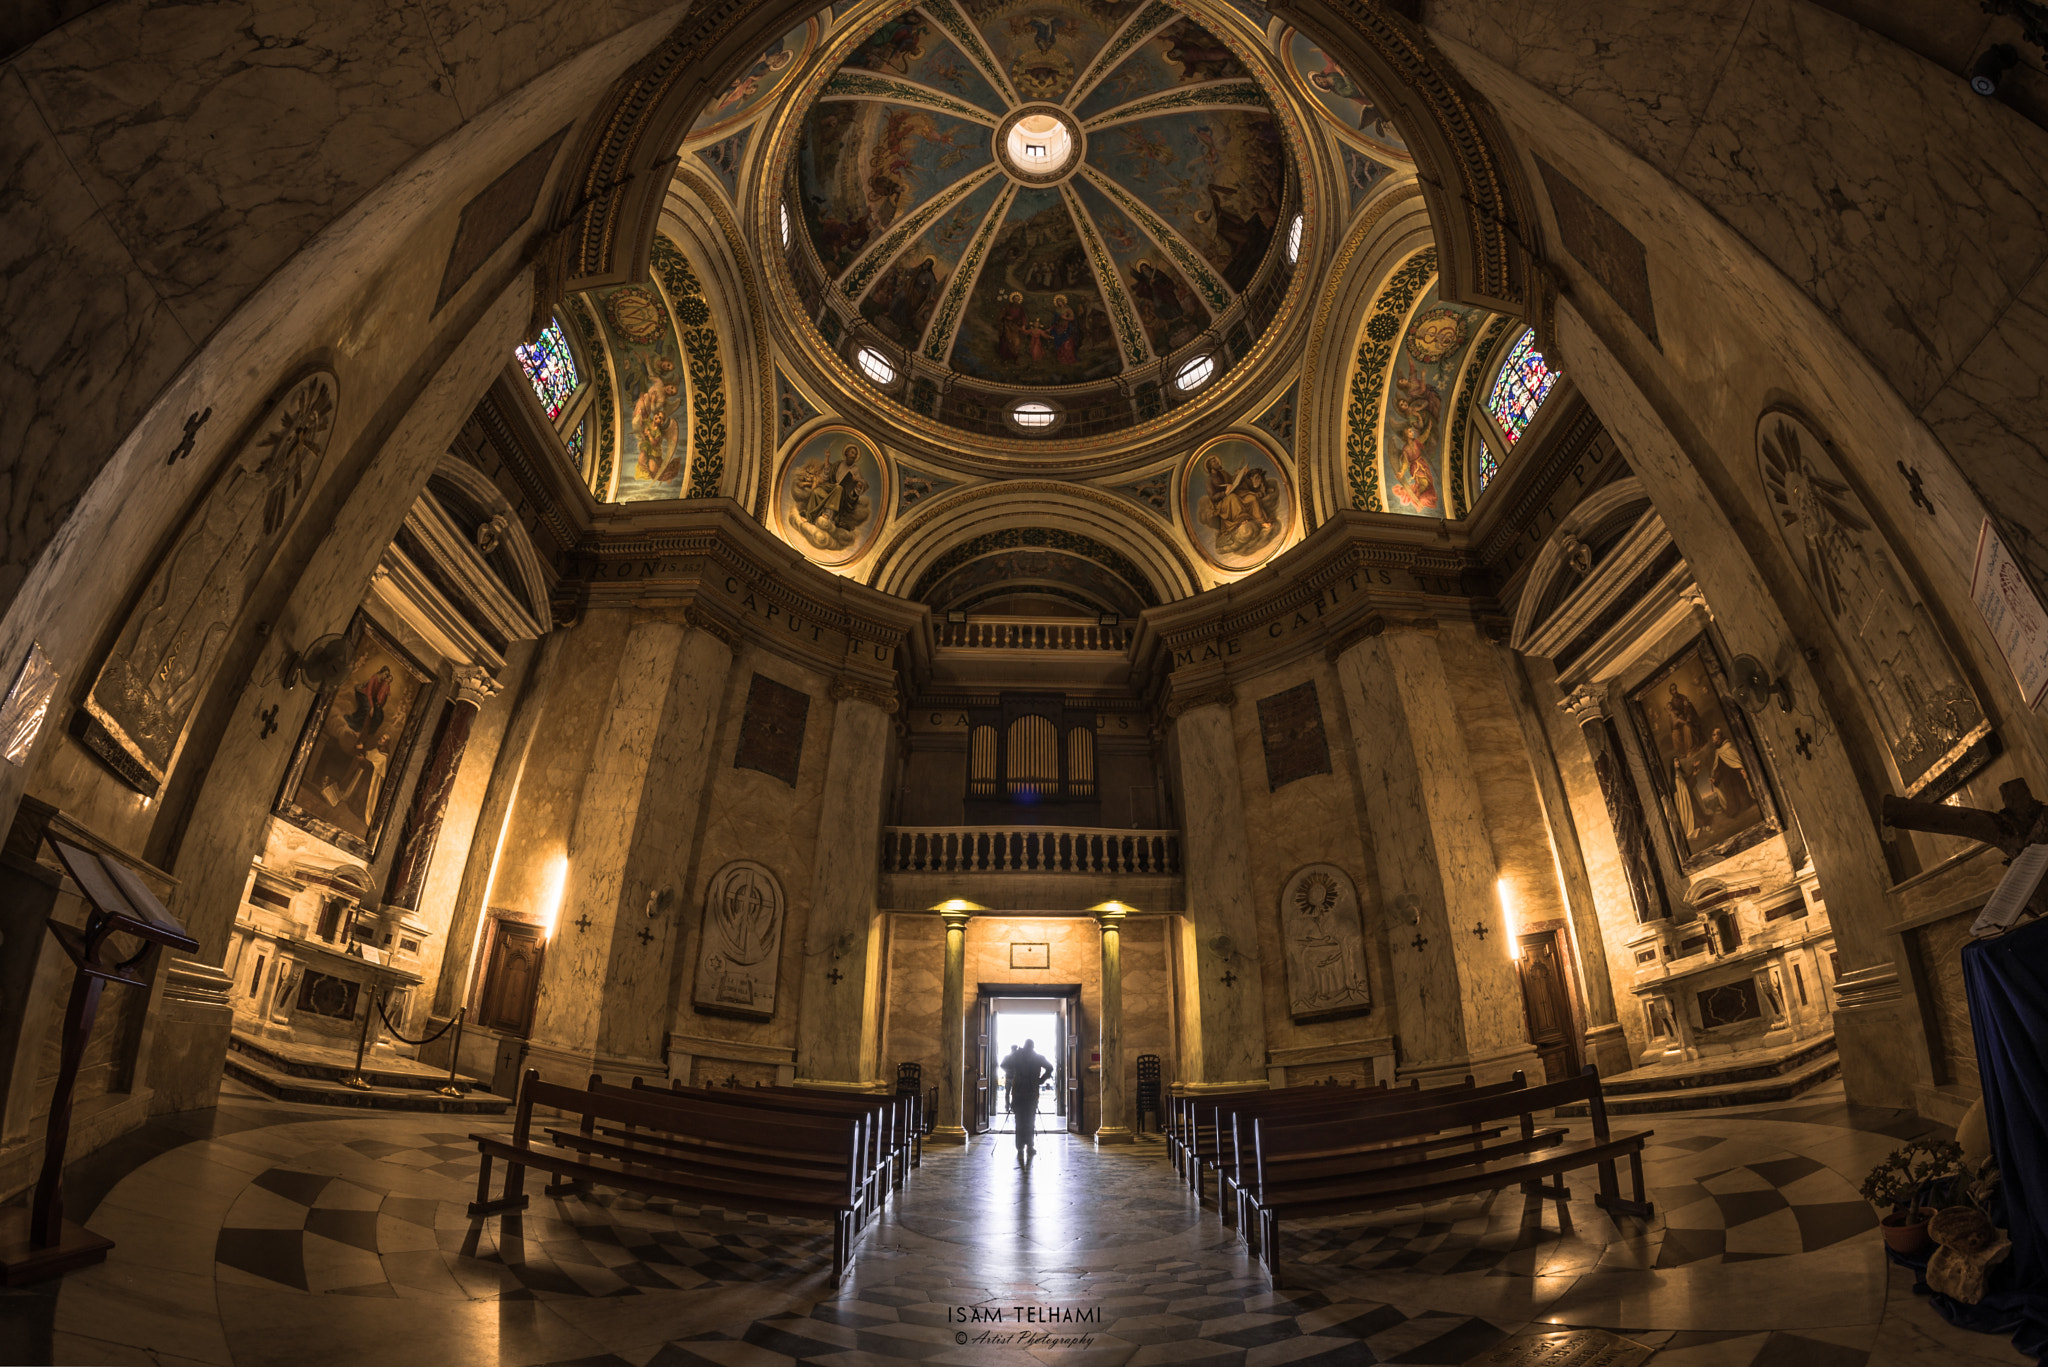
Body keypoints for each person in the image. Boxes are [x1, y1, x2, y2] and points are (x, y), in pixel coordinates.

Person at [999, 1038, 1054, 1157]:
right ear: (1033, 1047)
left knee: (1019, 1121)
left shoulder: (1017, 1056)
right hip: (1032, 1092)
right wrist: (1040, 1080)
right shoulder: (1038, 1057)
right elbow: (1050, 1068)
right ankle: (1030, 1146)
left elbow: (1003, 1064)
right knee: (1030, 1121)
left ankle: (1020, 1147)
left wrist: (1013, 1074)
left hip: (1018, 1091)